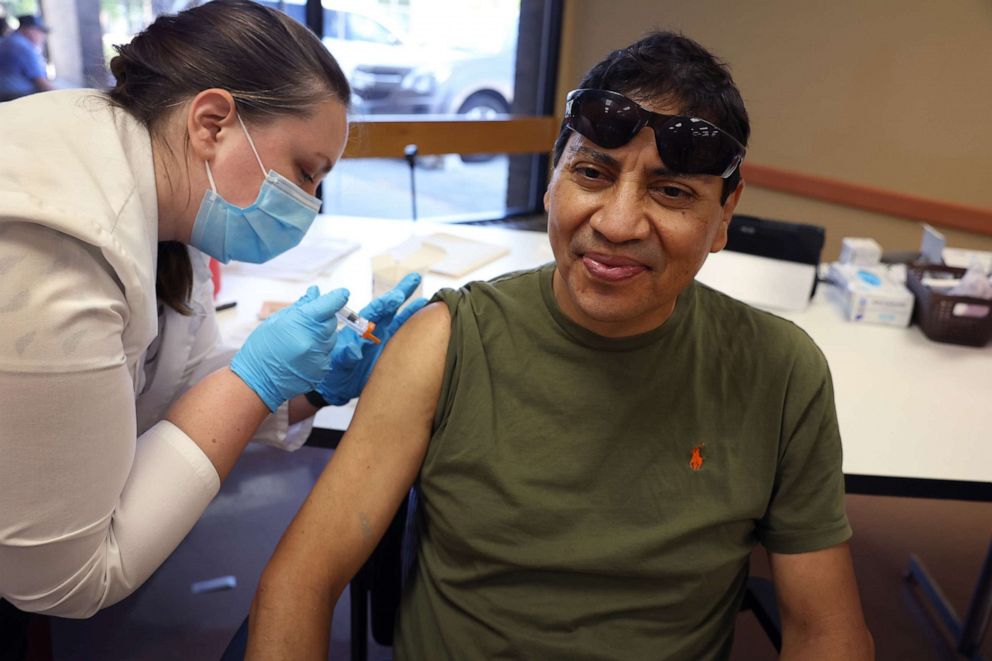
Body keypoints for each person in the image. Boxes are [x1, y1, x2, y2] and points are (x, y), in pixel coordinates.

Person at [247, 30, 876, 660]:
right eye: (591, 173)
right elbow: (300, 581)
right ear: (552, 183)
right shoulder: (445, 345)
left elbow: (825, 631)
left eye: (673, 192)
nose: (617, 223)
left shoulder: (780, 374)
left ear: (725, 215)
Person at [0, 0, 424, 637]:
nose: (310, 206)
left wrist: (307, 388)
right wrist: (254, 378)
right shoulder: (52, 242)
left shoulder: (168, 199)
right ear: (212, 122)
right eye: (306, 173)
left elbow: (181, 383)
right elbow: (64, 579)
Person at [0, 14, 53, 101]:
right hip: (16, 97)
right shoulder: (23, 46)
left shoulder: (9, 40)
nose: (42, 36)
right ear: (28, 30)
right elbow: (43, 85)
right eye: (40, 31)